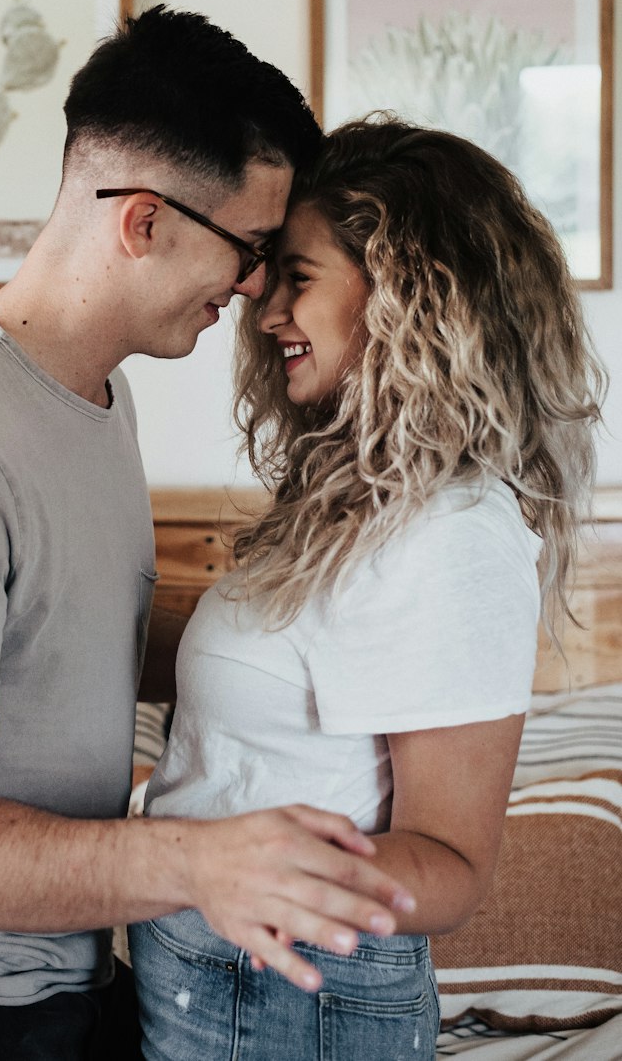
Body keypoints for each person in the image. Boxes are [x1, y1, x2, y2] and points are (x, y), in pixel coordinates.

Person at [0, 10, 417, 1060]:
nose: (251, 288)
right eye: (247, 248)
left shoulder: (96, 398)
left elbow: (53, 655)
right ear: (142, 221)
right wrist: (200, 863)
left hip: (49, 980)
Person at [129, 113, 605, 1060]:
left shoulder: (454, 533)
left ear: (405, 295)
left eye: (297, 279)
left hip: (291, 997)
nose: (267, 315)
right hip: (209, 976)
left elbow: (454, 869)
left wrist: (233, 869)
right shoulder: (353, 501)